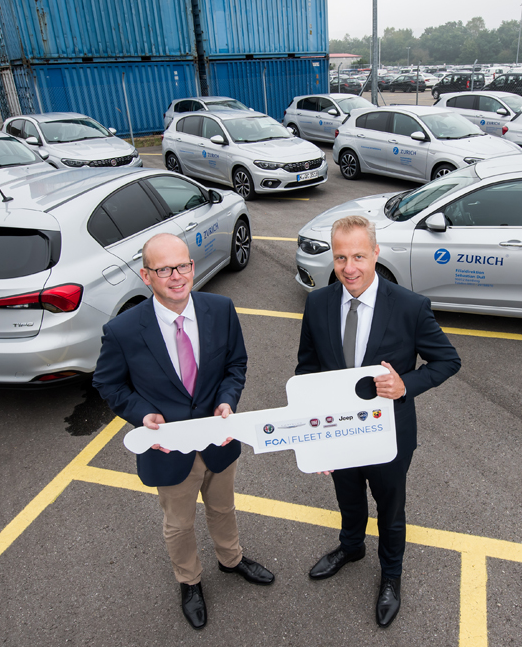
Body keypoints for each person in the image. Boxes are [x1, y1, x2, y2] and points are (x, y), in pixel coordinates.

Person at [93, 233, 274, 630]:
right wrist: (142, 414)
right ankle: (189, 581)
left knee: (223, 507)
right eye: (164, 269)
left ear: (192, 267)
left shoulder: (220, 309)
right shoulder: (123, 330)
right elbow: (108, 384)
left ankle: (231, 560)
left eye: (182, 266)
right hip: (168, 450)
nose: (176, 276)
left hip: (218, 440)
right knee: (179, 524)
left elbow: (235, 364)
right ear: (146, 276)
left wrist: (227, 400)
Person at [296, 215, 461, 628]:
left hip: (388, 435)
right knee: (348, 498)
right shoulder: (318, 304)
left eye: (358, 257)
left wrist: (406, 385)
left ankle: (391, 574)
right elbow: (307, 370)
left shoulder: (409, 306)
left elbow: (447, 360)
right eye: (340, 258)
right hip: (339, 432)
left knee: (390, 509)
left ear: (375, 253)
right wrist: (316, 437)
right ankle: (351, 547)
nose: (348, 268)